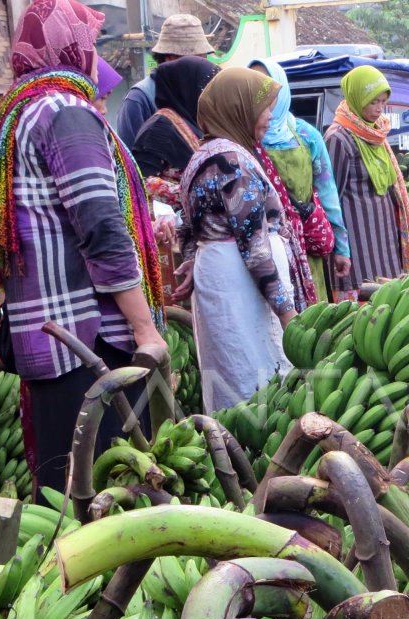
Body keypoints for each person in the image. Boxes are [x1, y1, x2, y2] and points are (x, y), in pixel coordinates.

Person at [0, 0, 166, 497]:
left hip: (49, 336)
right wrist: (144, 328)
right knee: (112, 495)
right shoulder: (64, 110)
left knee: (68, 493)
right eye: (90, 44)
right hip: (92, 343)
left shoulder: (15, 111)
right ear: (72, 48)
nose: (93, 56)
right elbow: (102, 225)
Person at [179, 67, 298, 412]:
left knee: (231, 377)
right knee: (258, 382)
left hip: (220, 277)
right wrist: (287, 313)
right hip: (241, 285)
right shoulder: (231, 162)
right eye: (264, 108)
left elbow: (193, 227)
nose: (269, 117)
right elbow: (254, 248)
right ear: (238, 108)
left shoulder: (205, 154)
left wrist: (192, 258)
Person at [249, 58, 346, 306]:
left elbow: (327, 192)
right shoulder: (243, 137)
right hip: (262, 245)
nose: (261, 94)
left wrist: (341, 247)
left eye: (267, 86)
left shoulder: (306, 135)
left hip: (304, 242)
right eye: (253, 85)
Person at [324, 65, 409, 299]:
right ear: (357, 98)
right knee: (361, 302)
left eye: (383, 102)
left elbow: (391, 185)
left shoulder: (376, 133)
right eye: (373, 102)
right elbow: (331, 198)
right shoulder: (339, 138)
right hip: (358, 241)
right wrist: (340, 247)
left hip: (385, 238)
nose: (379, 109)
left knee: (389, 296)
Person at [132, 56, 219, 208]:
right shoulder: (158, 129)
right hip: (169, 228)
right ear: (187, 88)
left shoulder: (194, 123)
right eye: (205, 89)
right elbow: (141, 184)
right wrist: (199, 195)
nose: (210, 98)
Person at [115, 14, 215, 145]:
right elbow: (130, 158)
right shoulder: (140, 99)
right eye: (195, 59)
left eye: (203, 58)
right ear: (170, 58)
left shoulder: (204, 92)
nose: (202, 65)